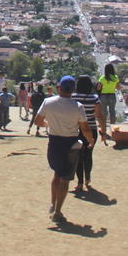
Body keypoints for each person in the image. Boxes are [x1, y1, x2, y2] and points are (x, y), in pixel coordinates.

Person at [33, 75, 94, 223]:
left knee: (57, 174)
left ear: (59, 88)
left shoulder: (48, 102)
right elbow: (84, 127)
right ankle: (58, 211)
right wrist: (90, 140)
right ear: (72, 90)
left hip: (54, 142)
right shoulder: (77, 106)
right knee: (65, 179)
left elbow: (37, 121)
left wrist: (49, 124)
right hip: (70, 144)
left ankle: (53, 204)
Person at [71, 75, 108, 192]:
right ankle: (88, 178)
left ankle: (80, 182)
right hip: (91, 129)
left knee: (78, 156)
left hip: (76, 130)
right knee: (88, 155)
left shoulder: (72, 97)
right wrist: (103, 131)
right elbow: (99, 116)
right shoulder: (95, 98)